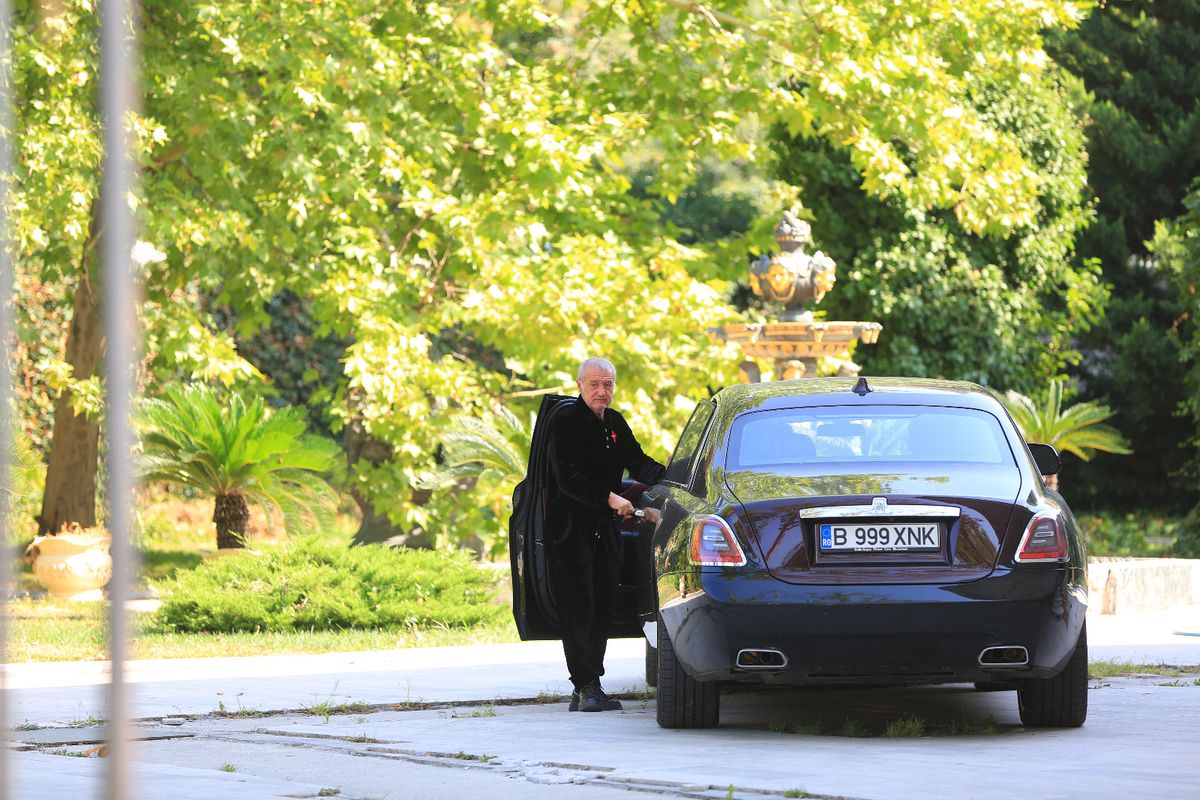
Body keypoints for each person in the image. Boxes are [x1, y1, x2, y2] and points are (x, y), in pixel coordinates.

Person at [545, 357, 664, 713]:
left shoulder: (614, 423)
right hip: (570, 531)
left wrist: (677, 479)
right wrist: (611, 498)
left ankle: (586, 685)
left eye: (608, 384)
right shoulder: (564, 421)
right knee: (579, 608)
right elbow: (565, 478)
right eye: (595, 384)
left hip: (605, 530)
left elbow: (639, 462)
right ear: (580, 385)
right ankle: (586, 685)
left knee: (601, 608)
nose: (602, 391)